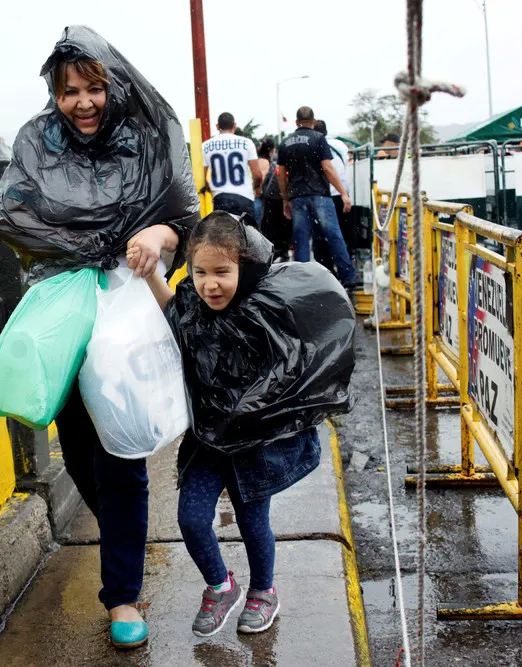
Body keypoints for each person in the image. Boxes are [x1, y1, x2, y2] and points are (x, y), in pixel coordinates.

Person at [0, 26, 200, 649]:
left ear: (115, 84)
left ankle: (123, 595)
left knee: (122, 451)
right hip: (63, 306)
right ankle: (122, 545)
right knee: (80, 445)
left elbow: (187, 222)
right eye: (69, 91)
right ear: (54, 95)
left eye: (93, 88)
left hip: (126, 306)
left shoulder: (149, 137)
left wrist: (159, 236)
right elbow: (13, 215)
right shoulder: (35, 141)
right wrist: (81, 246)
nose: (82, 102)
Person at [136, 212, 351, 638]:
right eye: (200, 272)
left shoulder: (264, 309)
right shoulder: (194, 305)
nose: (210, 284)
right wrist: (149, 276)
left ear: (244, 267)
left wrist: (253, 410)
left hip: (255, 444)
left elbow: (293, 362)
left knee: (254, 522)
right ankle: (221, 586)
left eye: (222, 272)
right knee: (192, 520)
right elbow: (173, 313)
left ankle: (263, 591)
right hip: (208, 441)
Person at [277, 106, 358, 287]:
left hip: (298, 197)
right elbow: (328, 168)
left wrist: (285, 200)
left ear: (297, 122)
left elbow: (281, 176)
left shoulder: (286, 143)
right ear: (313, 122)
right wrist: (343, 193)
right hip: (320, 195)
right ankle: (348, 277)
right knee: (333, 235)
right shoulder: (318, 139)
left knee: (302, 240)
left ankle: (304, 281)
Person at [202, 112, 261, 220]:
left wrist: (210, 189)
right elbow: (257, 175)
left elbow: (202, 177)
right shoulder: (247, 143)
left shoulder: (205, 146)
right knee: (248, 235)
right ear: (234, 126)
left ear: (217, 126)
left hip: (220, 198)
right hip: (244, 197)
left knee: (224, 235)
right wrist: (257, 189)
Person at [314, 120, 355, 269]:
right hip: (342, 194)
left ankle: (327, 270)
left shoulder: (314, 144)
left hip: (324, 195)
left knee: (321, 238)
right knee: (340, 235)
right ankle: (346, 269)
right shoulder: (340, 145)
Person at [253, 137, 275, 227]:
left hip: (257, 195)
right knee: (260, 221)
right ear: (272, 149)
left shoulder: (258, 159)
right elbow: (262, 177)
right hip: (261, 195)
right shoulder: (265, 161)